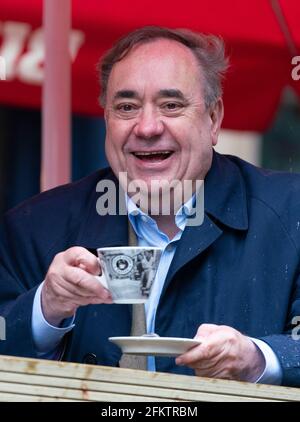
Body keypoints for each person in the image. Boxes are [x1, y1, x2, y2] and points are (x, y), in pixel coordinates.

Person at [0, 26, 300, 387]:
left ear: (213, 118)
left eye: (171, 105)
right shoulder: (34, 225)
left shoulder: (291, 213)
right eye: (126, 107)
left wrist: (258, 359)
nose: (147, 127)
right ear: (107, 119)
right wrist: (45, 309)